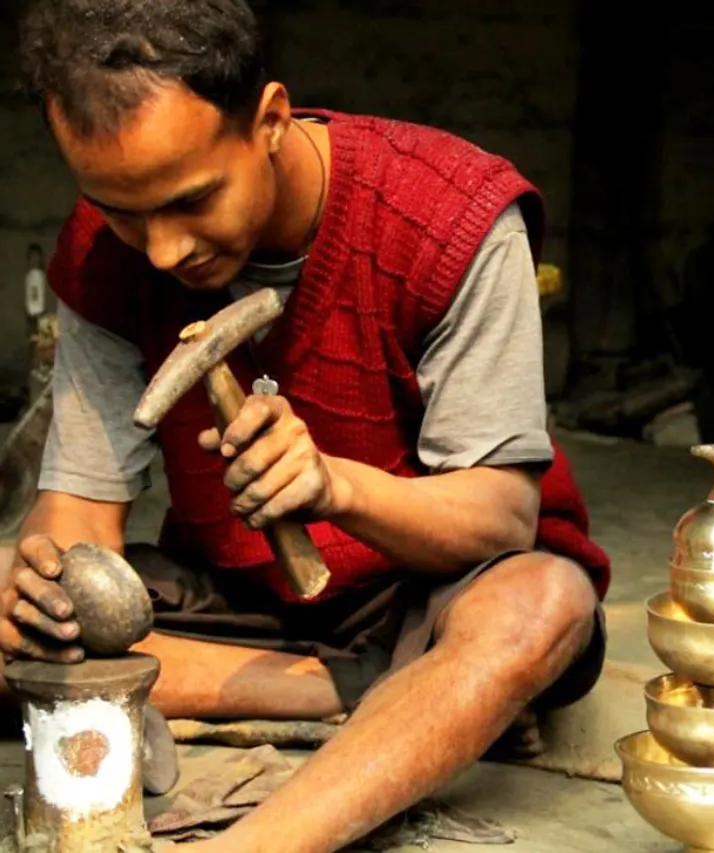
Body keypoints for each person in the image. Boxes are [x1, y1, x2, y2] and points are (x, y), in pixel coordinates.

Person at [8, 2, 611, 852]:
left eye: (191, 201)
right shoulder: (108, 255)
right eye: (120, 211)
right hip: (237, 598)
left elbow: (503, 518)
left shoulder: (450, 216)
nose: (162, 252)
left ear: (270, 120)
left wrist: (335, 486)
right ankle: (360, 693)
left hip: (426, 596)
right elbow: (79, 512)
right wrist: (47, 580)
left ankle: (258, 843)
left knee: (540, 604)